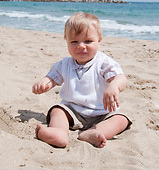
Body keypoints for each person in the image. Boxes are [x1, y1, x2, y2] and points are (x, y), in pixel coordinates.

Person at [32, 12, 132, 148]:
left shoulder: (103, 63)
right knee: (57, 111)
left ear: (99, 40)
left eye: (88, 41)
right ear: (66, 41)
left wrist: (114, 86)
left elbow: (121, 78)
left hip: (102, 113)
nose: (81, 46)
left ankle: (92, 133)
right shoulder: (65, 64)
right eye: (74, 41)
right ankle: (59, 133)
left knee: (121, 119)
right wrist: (45, 83)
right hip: (72, 110)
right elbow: (53, 77)